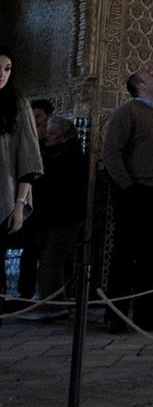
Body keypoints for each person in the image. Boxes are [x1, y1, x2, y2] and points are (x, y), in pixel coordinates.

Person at [102, 69, 153, 332]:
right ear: (139, 85)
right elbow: (111, 152)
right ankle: (117, 314)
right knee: (127, 254)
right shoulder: (127, 113)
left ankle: (146, 313)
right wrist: (127, 186)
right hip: (138, 193)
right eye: (150, 75)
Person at [20, 116, 87, 320]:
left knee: (51, 260)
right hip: (56, 216)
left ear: (64, 137)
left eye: (52, 134)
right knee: (52, 260)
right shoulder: (56, 153)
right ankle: (56, 304)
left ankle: (51, 307)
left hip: (65, 216)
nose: (47, 137)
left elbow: (56, 186)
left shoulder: (70, 157)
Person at [0, 48, 43, 309]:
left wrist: (18, 205)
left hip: (3, 194)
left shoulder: (17, 104)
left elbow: (28, 159)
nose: (2, 74)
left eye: (7, 68)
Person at [16, 98, 53, 301]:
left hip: (48, 208)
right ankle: (24, 293)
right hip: (30, 205)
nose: (35, 121)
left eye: (38, 116)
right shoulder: (29, 140)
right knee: (29, 251)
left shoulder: (53, 143)